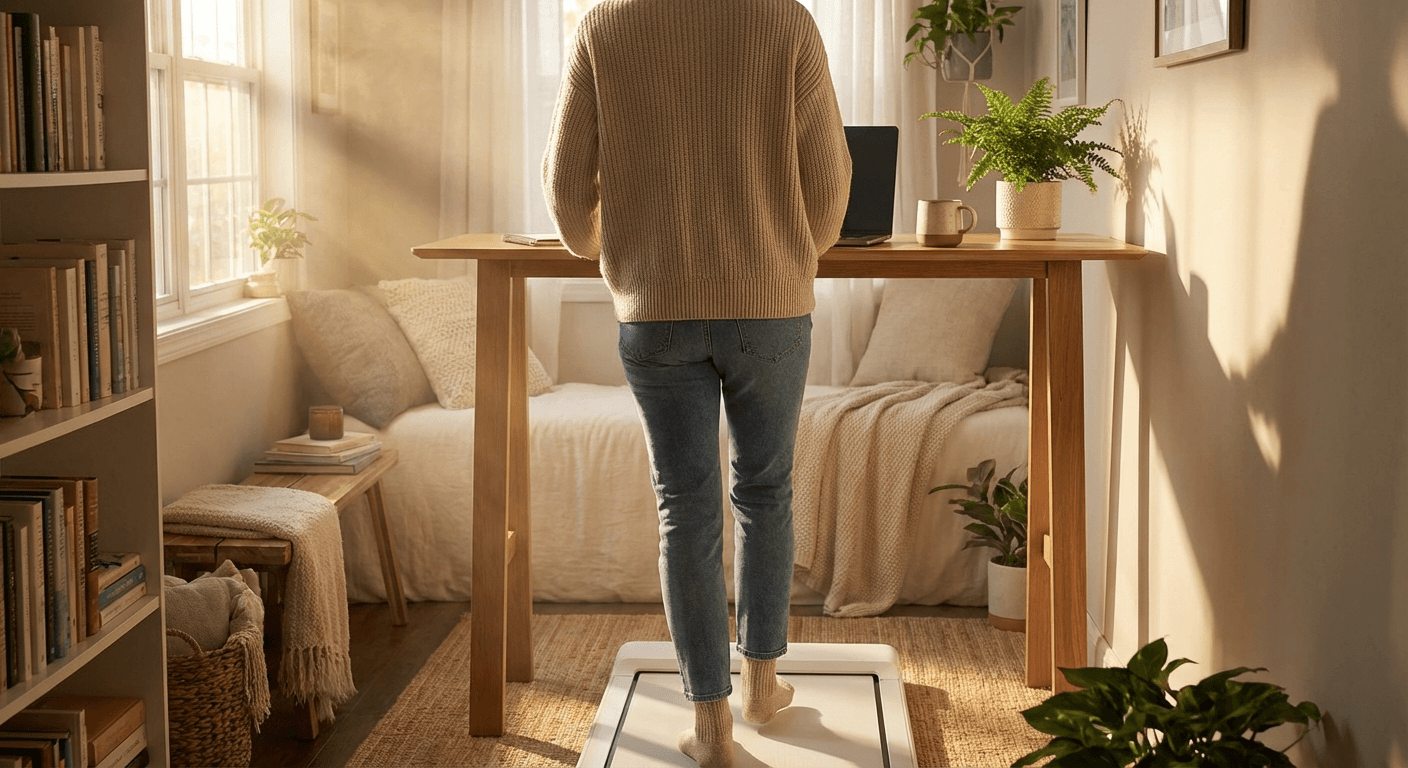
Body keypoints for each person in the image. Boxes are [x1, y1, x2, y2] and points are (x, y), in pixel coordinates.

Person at [543, 1, 850, 764]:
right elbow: (830, 183)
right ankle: (761, 685)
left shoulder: (602, 25)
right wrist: (782, 255)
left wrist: (601, 245)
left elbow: (564, 190)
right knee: (765, 490)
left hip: (655, 311)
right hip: (771, 312)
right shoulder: (785, 19)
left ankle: (709, 724)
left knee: (684, 508)